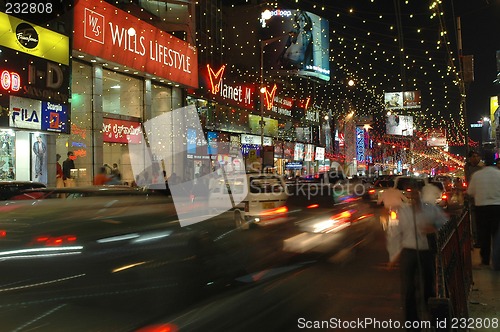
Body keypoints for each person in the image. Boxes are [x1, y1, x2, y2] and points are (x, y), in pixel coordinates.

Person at [387, 184, 448, 329]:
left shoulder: (430, 209)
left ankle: (432, 316)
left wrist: (434, 228)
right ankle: (412, 322)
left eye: (416, 194)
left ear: (420, 194)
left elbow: (444, 222)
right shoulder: (404, 212)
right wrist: (394, 255)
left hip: (425, 251)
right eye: (411, 194)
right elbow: (394, 234)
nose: (414, 197)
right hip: (409, 251)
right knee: (409, 289)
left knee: (429, 284)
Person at [467, 152, 500, 268]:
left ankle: (485, 260)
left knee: (484, 235)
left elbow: (470, 192)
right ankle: (497, 261)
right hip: (497, 207)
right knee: (496, 234)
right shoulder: (498, 174)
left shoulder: (477, 175)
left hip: (481, 208)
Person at [465, 150, 484, 247]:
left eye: (477, 156)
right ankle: (476, 240)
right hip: (472, 198)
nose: (476, 158)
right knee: (474, 221)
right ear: (470, 158)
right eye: (474, 156)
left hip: (482, 197)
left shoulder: (482, 168)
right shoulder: (467, 167)